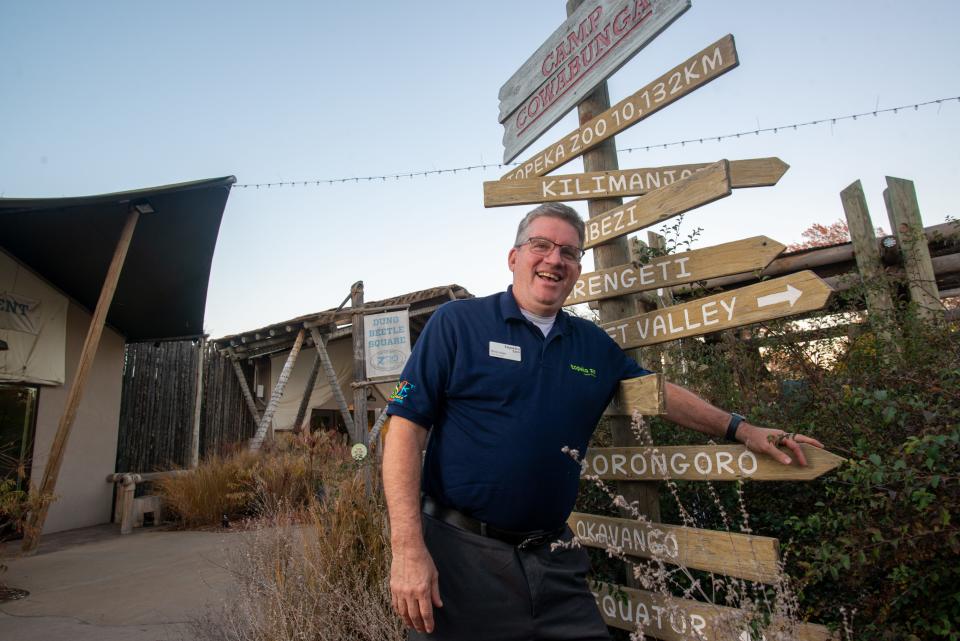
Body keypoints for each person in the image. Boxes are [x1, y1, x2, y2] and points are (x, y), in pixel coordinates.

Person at [382, 203, 824, 640]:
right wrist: (407, 549)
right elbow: (404, 429)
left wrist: (742, 429)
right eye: (541, 245)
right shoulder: (458, 323)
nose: (554, 259)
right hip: (461, 557)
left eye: (569, 252)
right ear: (513, 258)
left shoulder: (590, 344)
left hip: (554, 557)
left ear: (575, 270)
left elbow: (661, 394)